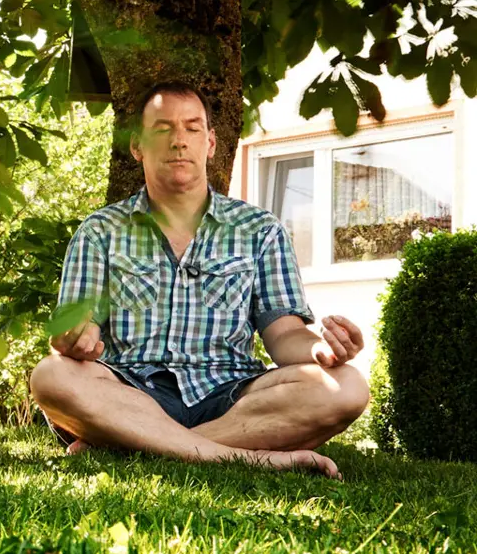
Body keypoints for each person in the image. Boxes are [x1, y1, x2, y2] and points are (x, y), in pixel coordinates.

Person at [28, 81, 369, 478]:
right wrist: (73, 338)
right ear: (137, 145)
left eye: (192, 128)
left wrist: (320, 352)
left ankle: (139, 445)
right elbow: (73, 329)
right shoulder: (99, 231)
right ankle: (245, 456)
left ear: (209, 143)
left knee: (346, 387)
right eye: (163, 129)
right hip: (132, 392)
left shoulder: (259, 229)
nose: (178, 141)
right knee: (51, 374)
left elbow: (284, 334)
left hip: (234, 394)